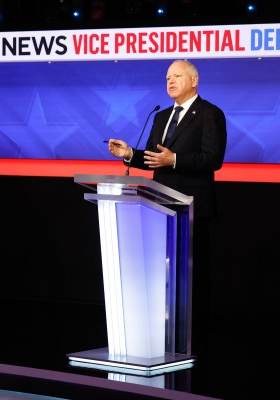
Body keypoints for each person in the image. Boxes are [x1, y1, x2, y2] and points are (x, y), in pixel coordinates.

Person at [106, 59, 227, 356]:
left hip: (193, 208)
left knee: (193, 276)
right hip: (159, 207)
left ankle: (197, 341)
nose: (170, 82)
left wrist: (174, 160)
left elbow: (213, 159)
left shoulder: (210, 114)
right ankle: (164, 336)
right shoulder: (161, 117)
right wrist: (129, 154)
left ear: (194, 80)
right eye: (167, 77)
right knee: (165, 276)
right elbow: (152, 157)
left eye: (177, 76)